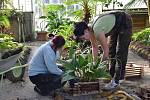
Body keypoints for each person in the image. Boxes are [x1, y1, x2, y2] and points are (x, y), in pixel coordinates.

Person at [73, 11, 132, 90]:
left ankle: (118, 80)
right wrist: (94, 63)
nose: (84, 40)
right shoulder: (90, 30)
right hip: (116, 25)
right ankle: (111, 77)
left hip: (124, 21)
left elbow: (105, 51)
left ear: (85, 31)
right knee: (112, 51)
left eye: (83, 38)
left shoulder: (96, 30)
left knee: (120, 52)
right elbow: (94, 47)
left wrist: (99, 67)